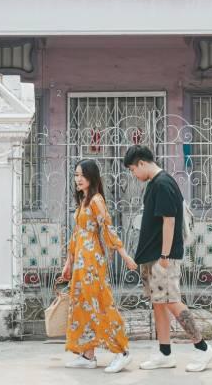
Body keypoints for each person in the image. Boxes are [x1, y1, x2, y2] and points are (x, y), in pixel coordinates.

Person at [123, 145, 212, 373]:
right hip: (153, 256)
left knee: (172, 301)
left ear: (142, 163)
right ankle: (165, 353)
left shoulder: (163, 184)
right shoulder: (155, 183)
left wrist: (165, 255)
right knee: (159, 303)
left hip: (162, 257)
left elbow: (170, 221)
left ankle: (203, 348)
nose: (134, 174)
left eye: (133, 169)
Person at [62, 159, 137, 374]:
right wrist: (68, 262)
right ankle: (88, 355)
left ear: (91, 177)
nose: (77, 179)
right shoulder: (84, 201)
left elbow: (108, 229)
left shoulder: (96, 200)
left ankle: (122, 352)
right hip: (80, 261)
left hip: (92, 261)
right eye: (76, 175)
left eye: (81, 175)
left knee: (100, 304)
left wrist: (125, 256)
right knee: (83, 305)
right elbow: (76, 234)